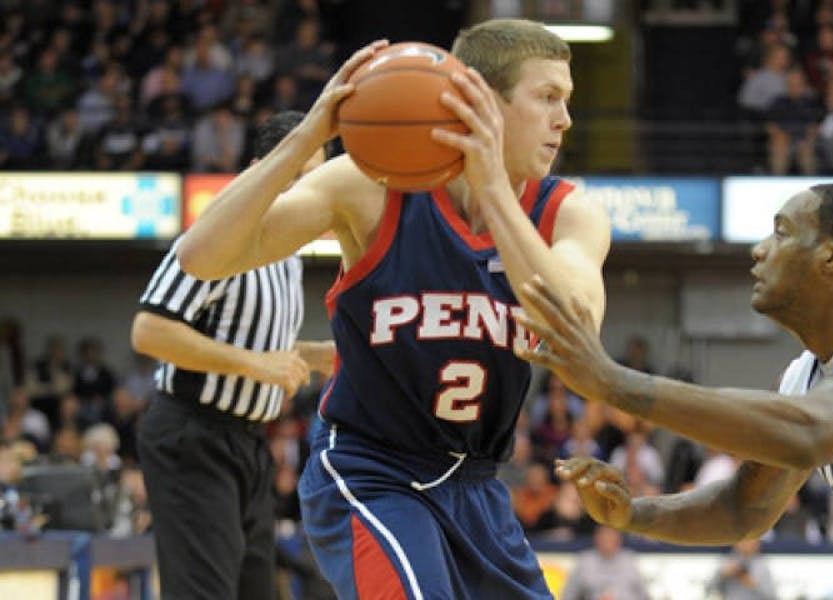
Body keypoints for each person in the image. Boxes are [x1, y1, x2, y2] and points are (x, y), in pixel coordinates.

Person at [176, 18, 610, 600]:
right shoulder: (373, 183)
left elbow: (578, 330)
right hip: (373, 471)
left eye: (566, 100)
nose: (565, 119)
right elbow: (200, 256)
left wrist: (493, 190)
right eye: (548, 97)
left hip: (477, 485)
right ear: (480, 102)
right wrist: (306, 136)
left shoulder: (571, 212)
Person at [516, 183, 833, 598]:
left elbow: (814, 433)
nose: (759, 250)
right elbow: (742, 509)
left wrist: (615, 383)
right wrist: (633, 514)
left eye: (781, 232)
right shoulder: (802, 382)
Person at [131, 110, 335, 600]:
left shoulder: (287, 251)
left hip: (247, 443)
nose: (309, 190)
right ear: (260, 170)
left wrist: (312, 354)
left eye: (317, 177)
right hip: (193, 436)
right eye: (297, 174)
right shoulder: (218, 238)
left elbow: (247, 341)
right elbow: (149, 330)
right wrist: (257, 365)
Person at [560, 525, 650, 600]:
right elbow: (568, 595)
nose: (607, 540)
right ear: (596, 538)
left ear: (619, 539)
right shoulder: (585, 561)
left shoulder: (629, 560)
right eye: (604, 536)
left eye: (611, 536)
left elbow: (644, 595)